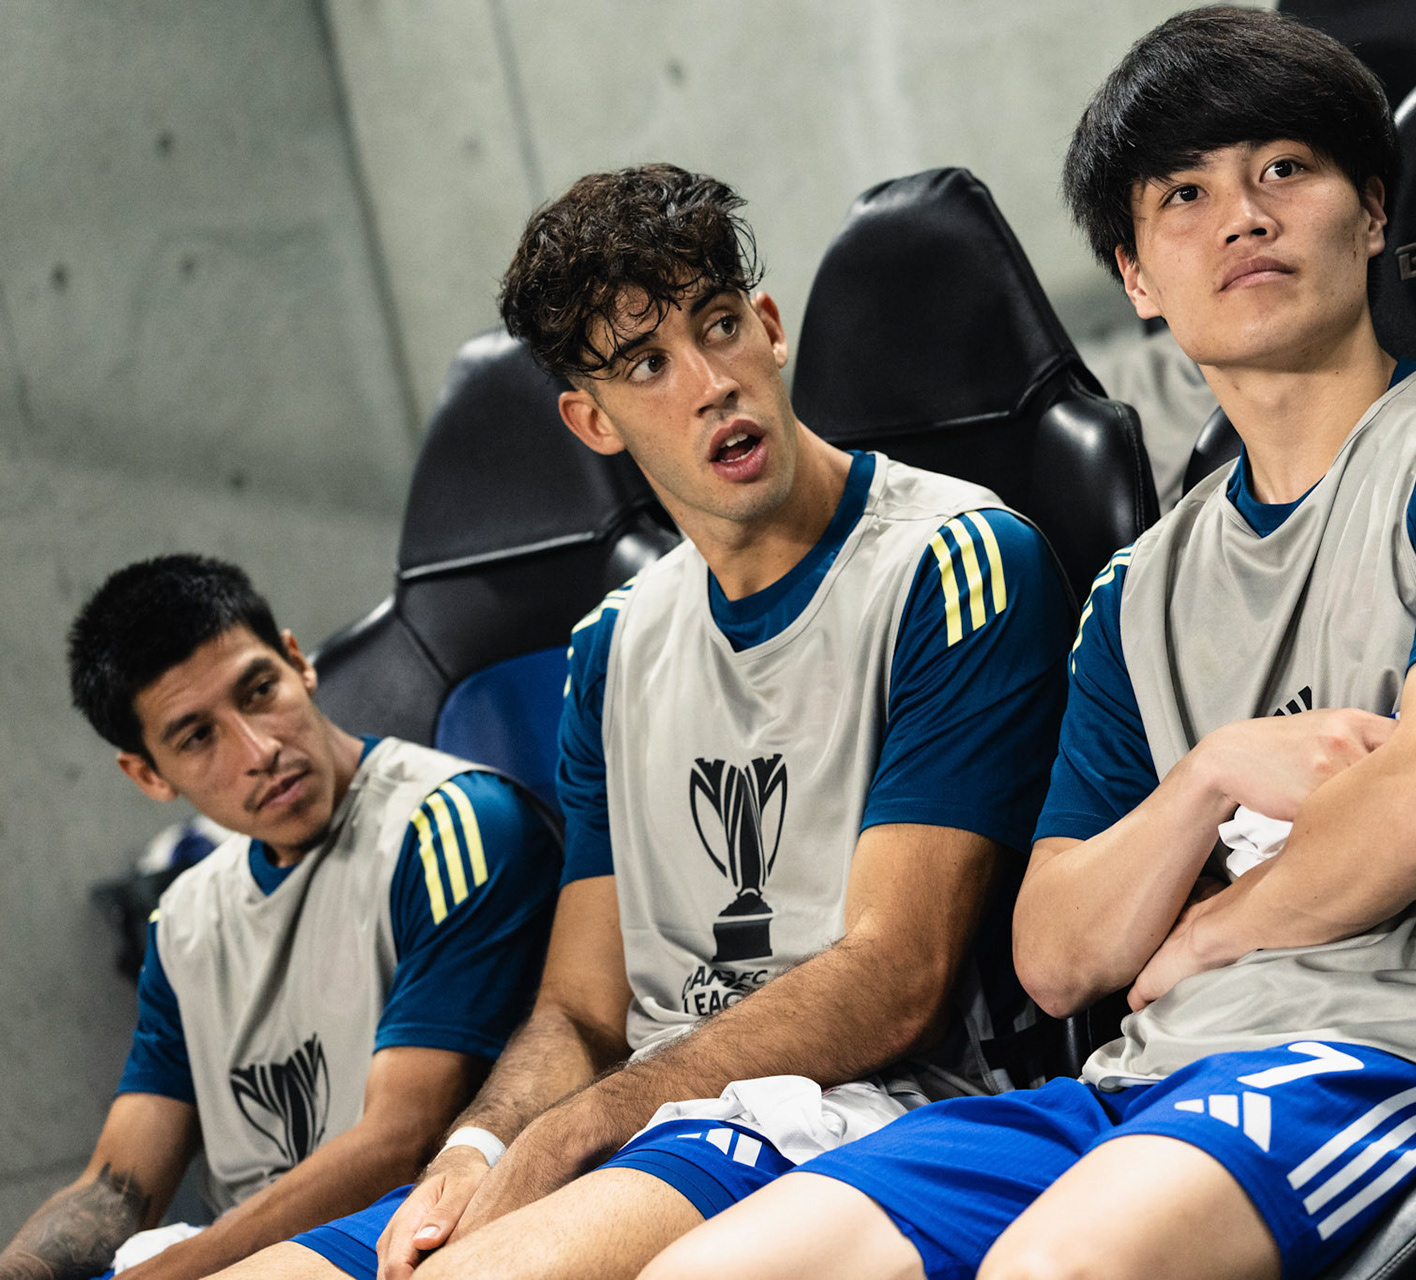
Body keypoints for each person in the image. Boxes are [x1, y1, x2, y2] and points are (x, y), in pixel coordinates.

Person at [640, 9, 1416, 1280]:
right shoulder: (1139, 584)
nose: (1243, 216)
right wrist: (1214, 774)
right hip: (1153, 1073)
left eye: (1286, 169)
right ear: (1135, 275)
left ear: (1374, 213)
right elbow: (1061, 952)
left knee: (1055, 1268)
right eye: (1186, 193)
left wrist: (1209, 933)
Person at [220, 164, 1072, 1280]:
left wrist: (581, 1124)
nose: (711, 383)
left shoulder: (953, 561)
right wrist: (483, 1144)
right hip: (653, 1119)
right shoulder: (613, 646)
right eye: (649, 366)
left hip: (857, 1110)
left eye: (719, 327)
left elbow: (899, 978)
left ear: (770, 330)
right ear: (592, 418)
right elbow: (581, 1006)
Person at [0, 556, 558, 1280]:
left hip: (409, 1234)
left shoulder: (453, 826)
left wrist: (175, 1271)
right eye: (197, 737)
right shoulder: (186, 922)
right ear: (148, 775)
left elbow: (402, 1141)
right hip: (243, 1252)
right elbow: (118, 1188)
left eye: (260, 691)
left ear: (298, 663)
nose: (259, 751)